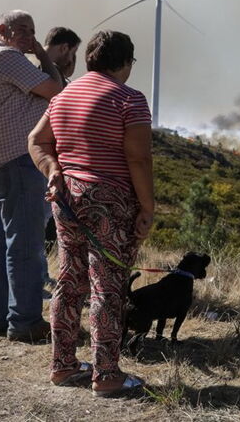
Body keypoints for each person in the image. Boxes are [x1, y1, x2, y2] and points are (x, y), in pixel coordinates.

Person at [28, 30, 154, 395]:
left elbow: (36, 140)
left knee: (70, 280)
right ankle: (107, 374)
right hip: (110, 202)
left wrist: (53, 170)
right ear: (126, 62)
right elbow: (139, 158)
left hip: (67, 197)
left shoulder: (65, 95)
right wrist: (147, 207)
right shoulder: (129, 99)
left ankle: (63, 366)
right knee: (107, 286)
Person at [0, 10, 63, 342]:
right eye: (22, 30)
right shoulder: (6, 56)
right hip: (17, 162)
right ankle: (25, 322)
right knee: (25, 246)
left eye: (33, 31)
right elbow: (56, 90)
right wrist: (43, 56)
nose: (29, 36)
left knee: (2, 244)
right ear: (2, 30)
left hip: (1, 163)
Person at [39, 27, 82, 293]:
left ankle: (40, 275)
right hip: (43, 165)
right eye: (74, 53)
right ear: (65, 49)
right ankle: (36, 280)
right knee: (38, 229)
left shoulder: (46, 73)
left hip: (46, 164)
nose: (75, 61)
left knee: (43, 228)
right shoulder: (44, 74)